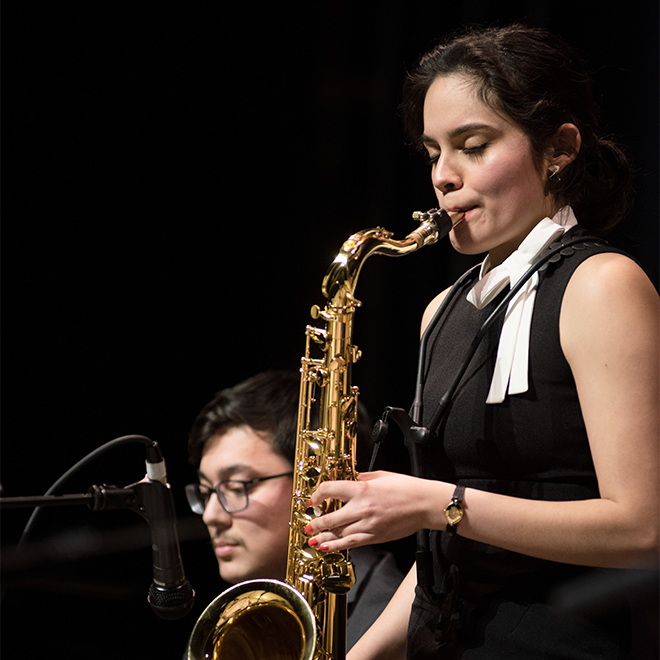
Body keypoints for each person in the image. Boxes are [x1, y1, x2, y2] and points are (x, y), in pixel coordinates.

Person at [302, 24, 660, 659]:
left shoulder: (601, 285)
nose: (443, 176)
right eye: (433, 152)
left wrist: (437, 503)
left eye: (472, 145)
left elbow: (643, 527)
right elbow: (445, 551)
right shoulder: (442, 311)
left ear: (560, 149)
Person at [185, 369, 404, 650]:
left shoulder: (392, 618)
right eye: (205, 492)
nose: (211, 515)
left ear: (316, 482)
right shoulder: (233, 622)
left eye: (238, 487)